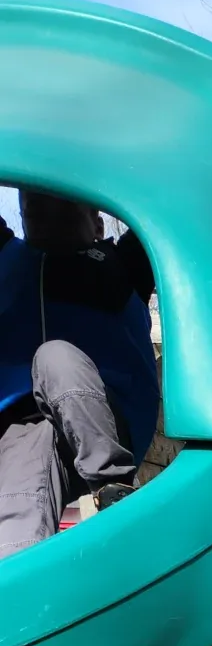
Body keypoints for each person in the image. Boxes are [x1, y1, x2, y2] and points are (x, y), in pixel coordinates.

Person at [0, 189, 158, 559]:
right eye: (35, 210)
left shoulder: (123, 263)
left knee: (55, 356)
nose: (47, 217)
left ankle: (115, 490)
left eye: (65, 212)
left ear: (99, 226)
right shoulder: (8, 257)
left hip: (103, 417)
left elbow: (168, 201)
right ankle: (21, 579)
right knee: (15, 533)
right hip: (25, 427)